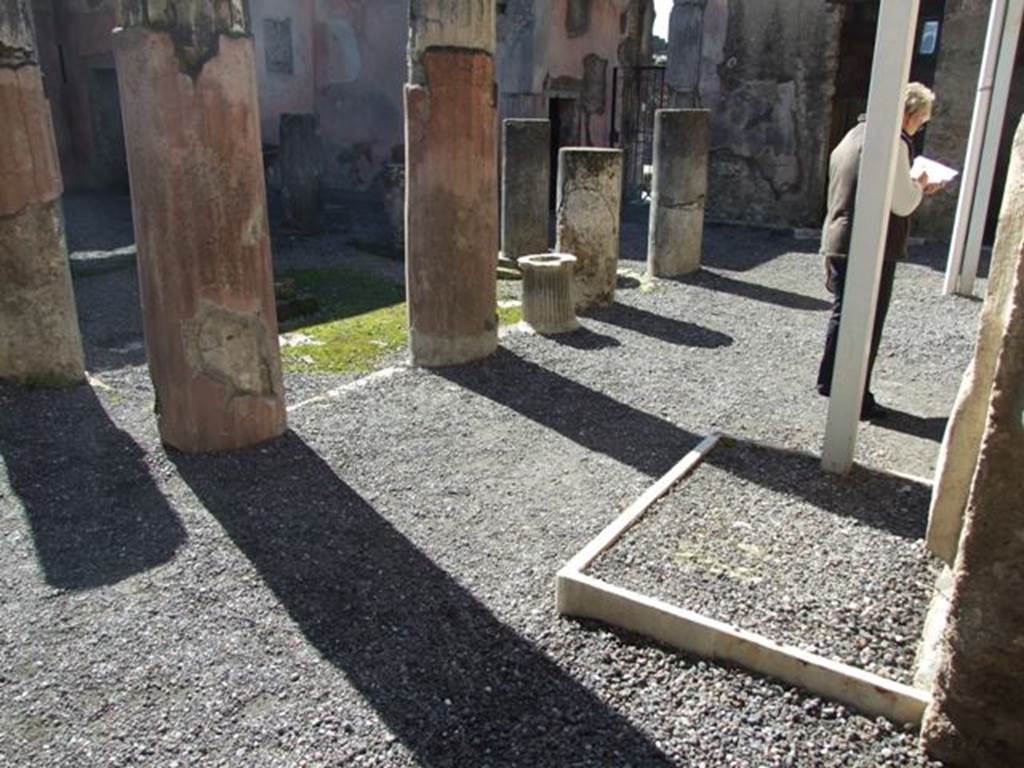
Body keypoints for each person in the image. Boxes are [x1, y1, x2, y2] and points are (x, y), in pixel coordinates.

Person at [816, 82, 944, 420]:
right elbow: (901, 202)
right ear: (910, 114)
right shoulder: (893, 142)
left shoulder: (852, 136)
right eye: (920, 120)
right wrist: (921, 185)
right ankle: (856, 396)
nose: (919, 127)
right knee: (867, 322)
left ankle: (830, 380)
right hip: (870, 243)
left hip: (840, 235)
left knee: (844, 314)